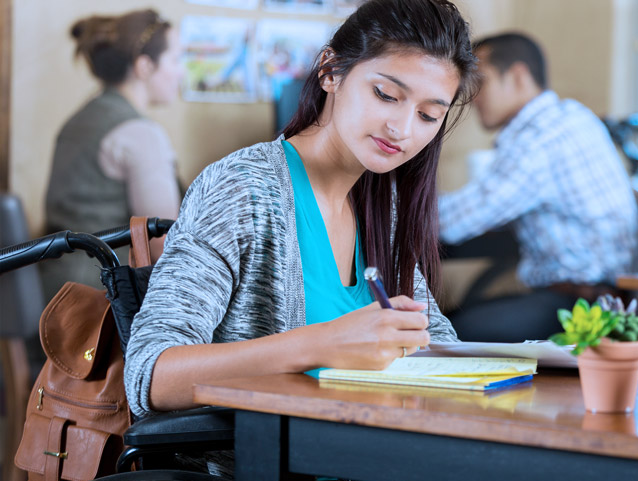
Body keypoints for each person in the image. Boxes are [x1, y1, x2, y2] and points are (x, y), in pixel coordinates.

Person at [125, 0, 477, 420]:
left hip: (371, 471)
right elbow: (150, 375)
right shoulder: (243, 187)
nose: (402, 129)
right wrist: (323, 343)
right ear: (330, 71)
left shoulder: (385, 206)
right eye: (385, 95)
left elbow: (432, 341)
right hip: (272, 478)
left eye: (427, 115)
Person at [438, 32, 638, 342]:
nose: (471, 95)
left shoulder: (542, 136)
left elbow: (453, 222)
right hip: (599, 296)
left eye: (480, 81)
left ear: (518, 76)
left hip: (584, 306)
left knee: (448, 331)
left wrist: (391, 209)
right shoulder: (569, 116)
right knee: (456, 317)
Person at [42, 9, 183, 301]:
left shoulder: (79, 119)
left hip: (52, 291)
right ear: (144, 66)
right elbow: (163, 245)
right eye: (176, 59)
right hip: (99, 304)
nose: (181, 71)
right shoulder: (141, 134)